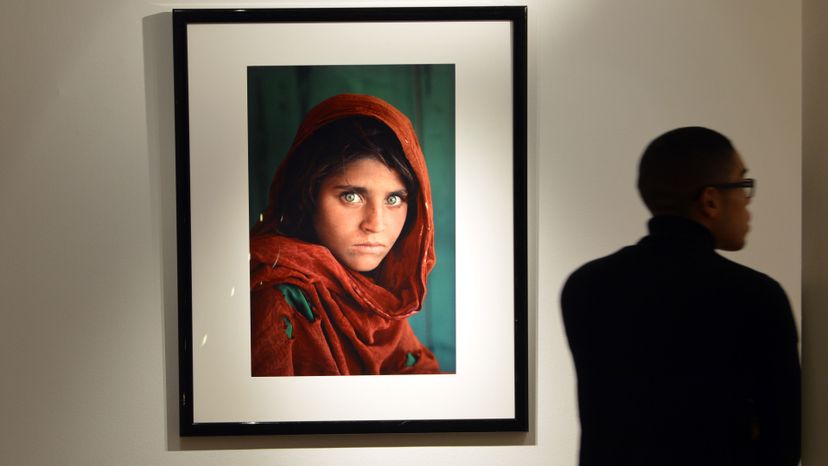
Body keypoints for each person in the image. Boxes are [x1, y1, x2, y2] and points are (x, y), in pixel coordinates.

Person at [561, 127, 800, 466]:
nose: (748, 201)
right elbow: (784, 442)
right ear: (711, 200)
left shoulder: (586, 285)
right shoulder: (756, 295)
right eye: (743, 185)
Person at [249, 94, 440, 376]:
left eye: (394, 199)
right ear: (308, 195)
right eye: (351, 196)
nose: (375, 224)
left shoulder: (379, 297)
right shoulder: (275, 297)